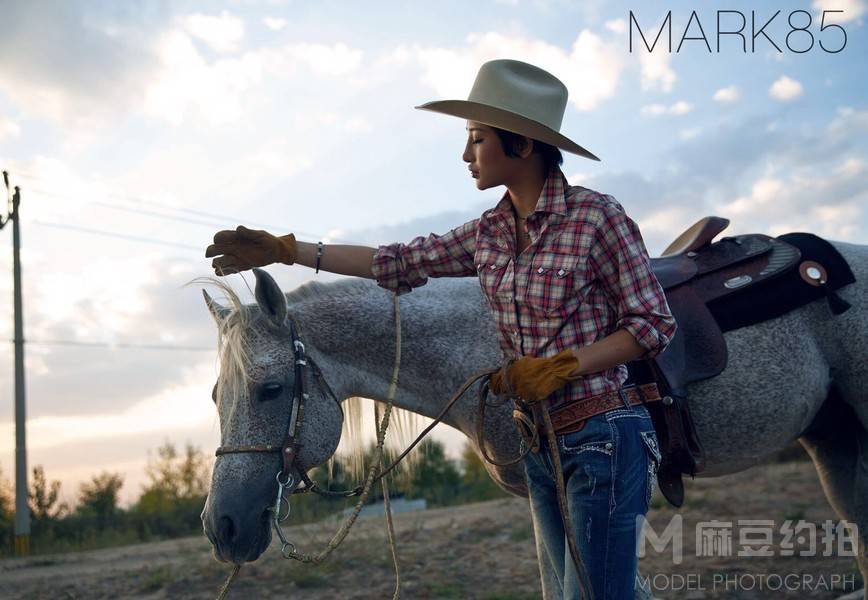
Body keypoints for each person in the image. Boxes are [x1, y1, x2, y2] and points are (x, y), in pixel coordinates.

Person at [205, 59, 677, 599]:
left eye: (477, 139)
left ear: (522, 145)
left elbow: (653, 323)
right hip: (538, 446)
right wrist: (290, 251)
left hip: (602, 437)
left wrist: (563, 366)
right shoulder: (489, 234)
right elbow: (397, 262)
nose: (465, 153)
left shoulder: (598, 217)